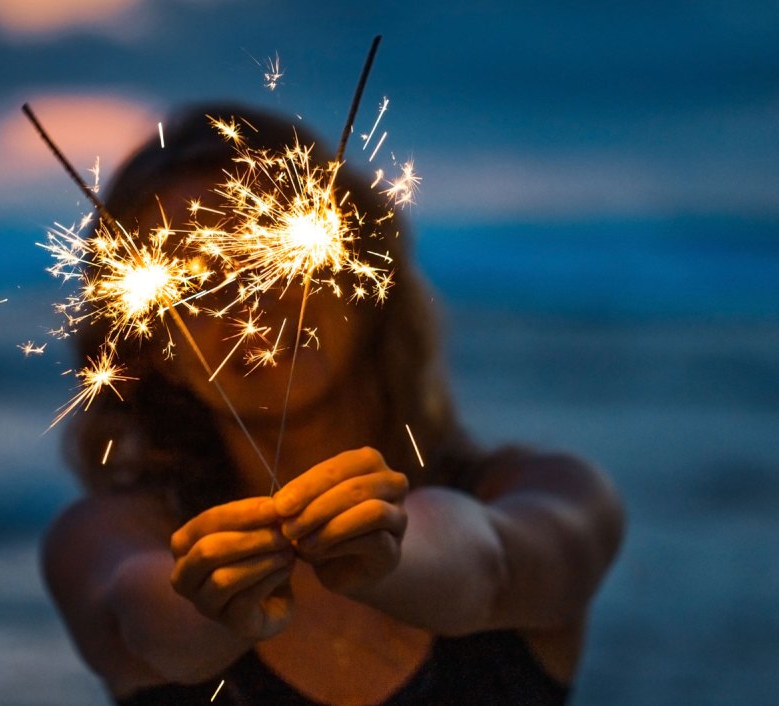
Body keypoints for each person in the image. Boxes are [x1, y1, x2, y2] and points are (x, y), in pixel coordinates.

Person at [41, 103, 625, 705]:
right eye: (194, 281)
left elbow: (492, 565)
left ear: (359, 268)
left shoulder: (552, 491)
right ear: (156, 349)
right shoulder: (107, 537)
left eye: (273, 253)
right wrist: (211, 606)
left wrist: (393, 556)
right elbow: (140, 614)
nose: (249, 303)